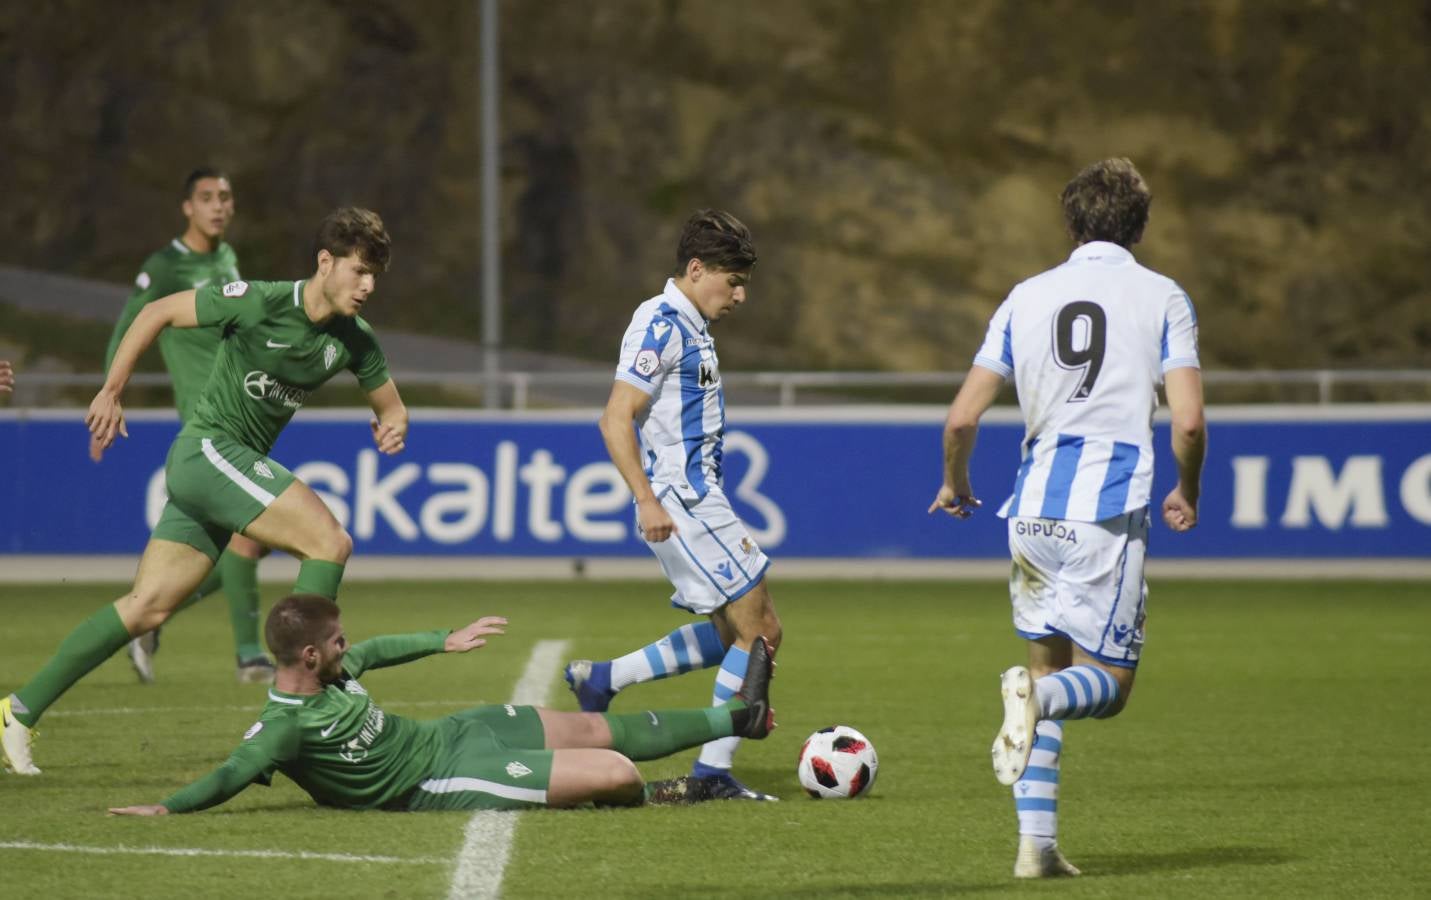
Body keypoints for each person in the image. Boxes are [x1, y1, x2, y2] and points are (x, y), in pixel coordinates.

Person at [1, 207, 408, 777]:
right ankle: (297, 707)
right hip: (208, 451)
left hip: (217, 472)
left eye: (374, 277)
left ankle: (16, 711)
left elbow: (392, 406)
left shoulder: (354, 340)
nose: (367, 287)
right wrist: (112, 390)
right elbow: (158, 311)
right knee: (329, 542)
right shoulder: (260, 301)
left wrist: (393, 426)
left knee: (147, 608)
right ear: (325, 262)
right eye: (359, 271)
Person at [929, 158, 1205, 879]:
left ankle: (1037, 848)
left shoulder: (1025, 296)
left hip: (1030, 512)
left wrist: (955, 482)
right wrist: (1187, 489)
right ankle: (1037, 698)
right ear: (1140, 224)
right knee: (1105, 686)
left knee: (1044, 666)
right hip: (1105, 510)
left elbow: (961, 418)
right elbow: (1188, 420)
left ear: (1070, 221)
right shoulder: (1163, 296)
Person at [107, 595, 777, 815]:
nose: (347, 646)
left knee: (596, 727)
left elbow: (381, 649)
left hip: (454, 732)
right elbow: (232, 772)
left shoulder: (334, 674)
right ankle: (666, 793)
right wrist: (167, 807)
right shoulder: (284, 728)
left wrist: (443, 639)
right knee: (616, 773)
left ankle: (737, 717)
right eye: (336, 641)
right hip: (439, 779)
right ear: (308, 656)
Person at [563, 209, 782, 801]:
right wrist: (647, 499)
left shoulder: (690, 324)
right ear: (697, 269)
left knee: (733, 633)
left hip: (696, 498)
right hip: (685, 501)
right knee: (760, 629)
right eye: (733, 282)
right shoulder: (661, 324)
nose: (740, 296)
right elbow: (615, 418)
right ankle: (712, 772)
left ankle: (605, 679)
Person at [97, 167, 275, 685]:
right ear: (187, 208)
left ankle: (148, 617)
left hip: (243, 413)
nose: (218, 205)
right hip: (209, 419)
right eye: (207, 197)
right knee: (248, 539)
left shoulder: (226, 259)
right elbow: (130, 327)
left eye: (225, 197)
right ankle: (250, 658)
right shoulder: (165, 266)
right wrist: (110, 395)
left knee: (248, 543)